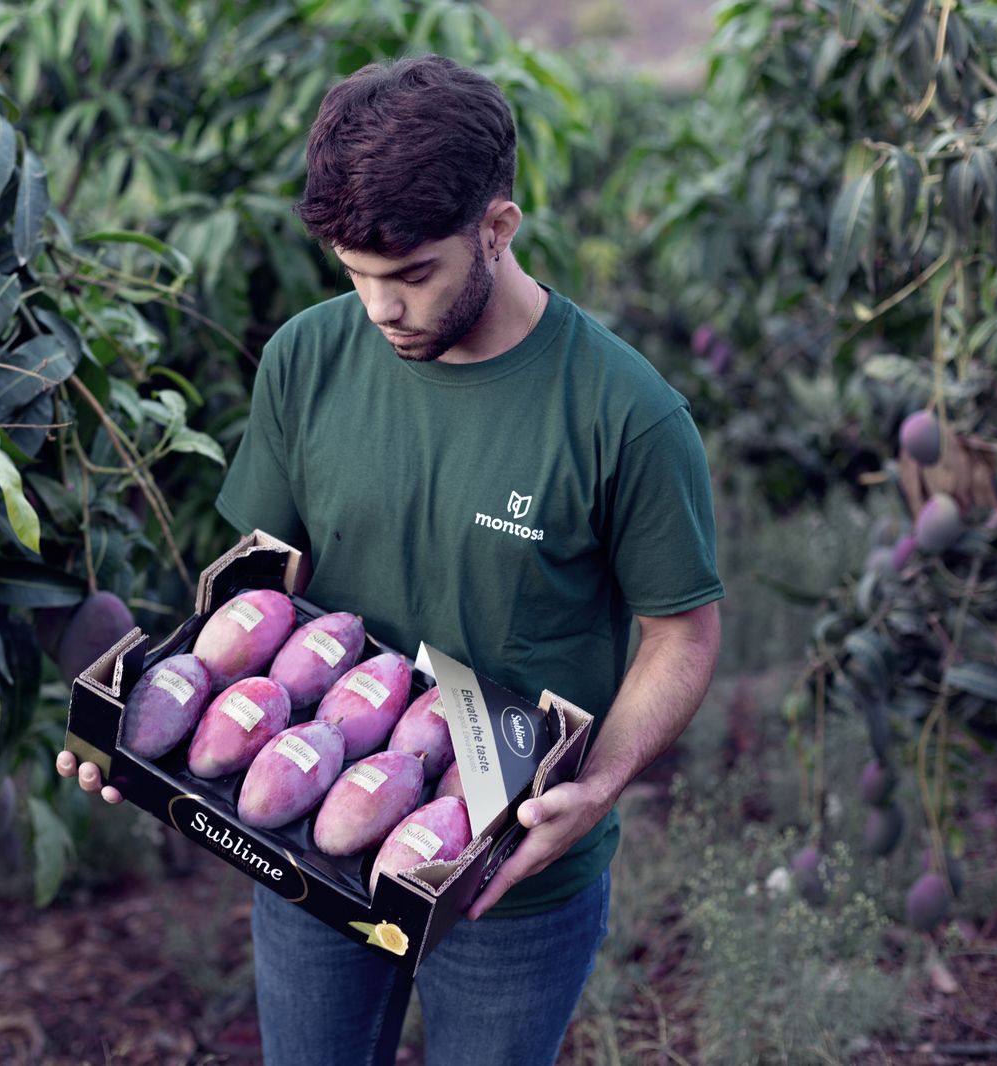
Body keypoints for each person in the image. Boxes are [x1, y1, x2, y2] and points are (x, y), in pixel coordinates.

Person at [57, 53, 723, 1066]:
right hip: (308, 844)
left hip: (509, 879)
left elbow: (681, 634)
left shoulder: (622, 415)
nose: (380, 310)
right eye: (356, 273)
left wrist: (599, 784)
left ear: (495, 229)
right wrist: (150, 733)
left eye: (412, 274)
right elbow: (262, 584)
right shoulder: (308, 357)